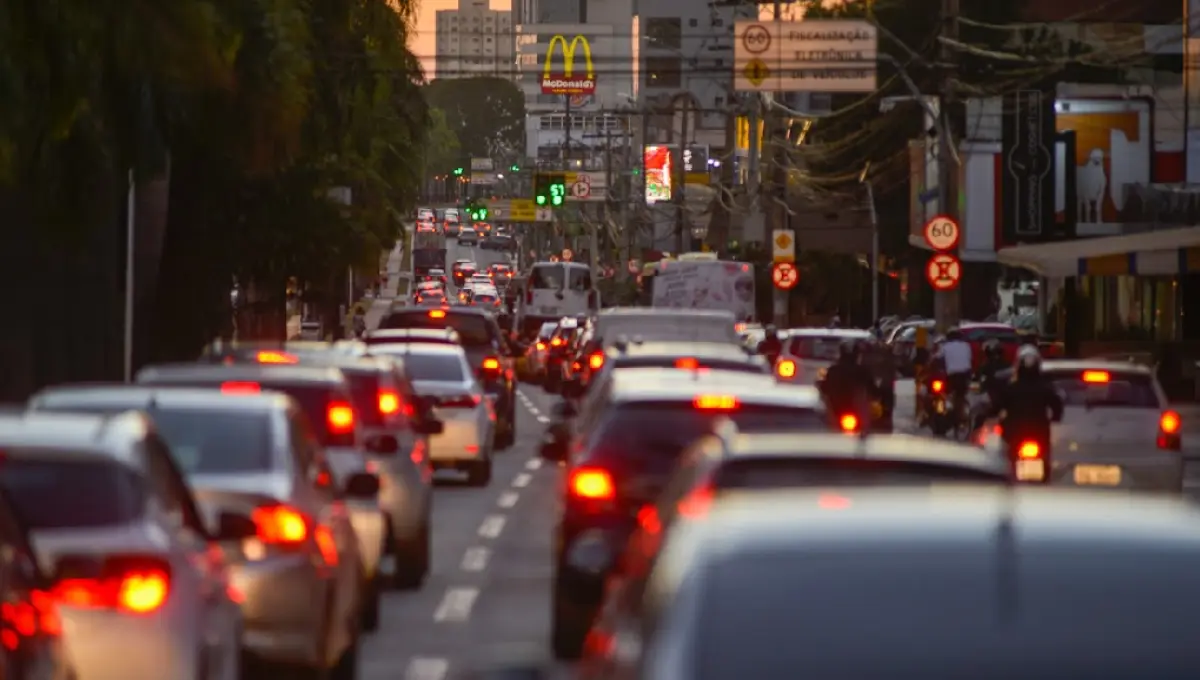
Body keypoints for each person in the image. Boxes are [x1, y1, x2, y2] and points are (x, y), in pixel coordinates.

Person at [989, 345, 1063, 455]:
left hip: (1019, 433)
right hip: (1033, 433)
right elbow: (1057, 406)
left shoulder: (1011, 388)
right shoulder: (1045, 388)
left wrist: (991, 413)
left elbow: (997, 406)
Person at [822, 339, 876, 427]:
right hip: (838, 410)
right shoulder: (862, 371)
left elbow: (871, 388)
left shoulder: (834, 370)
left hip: (847, 410)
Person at [935, 328, 973, 420]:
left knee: (946, 393)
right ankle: (961, 412)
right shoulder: (966, 346)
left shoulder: (946, 346)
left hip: (953, 375)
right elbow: (970, 359)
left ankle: (949, 409)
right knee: (961, 394)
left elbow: (937, 358)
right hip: (966, 374)